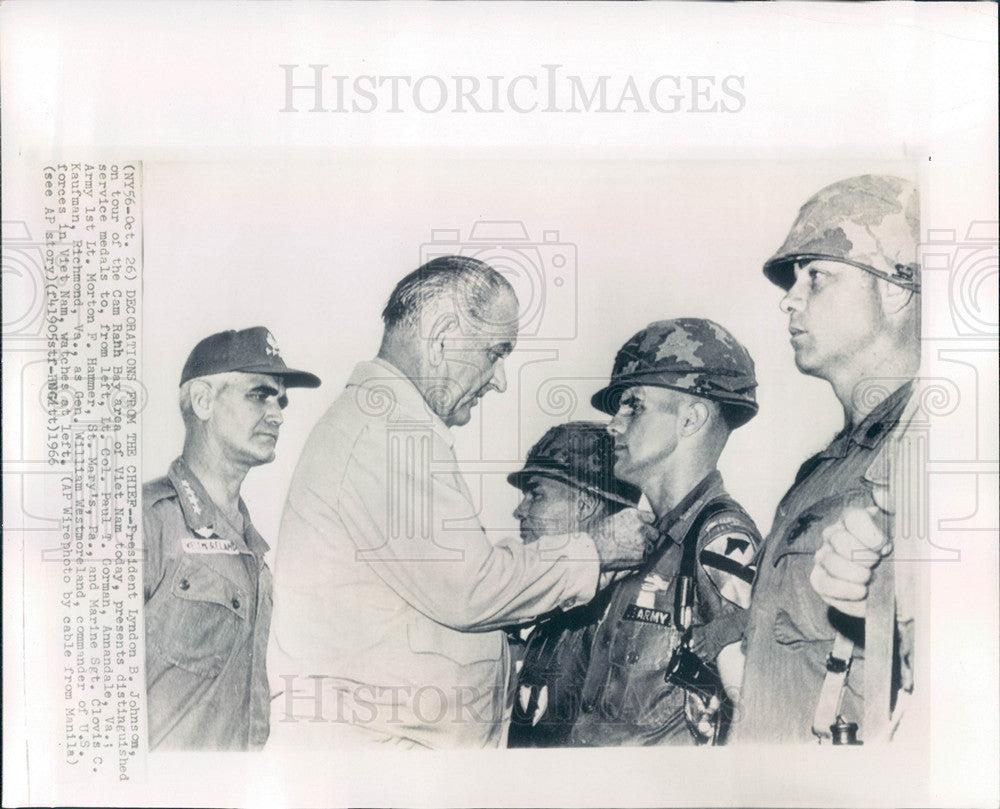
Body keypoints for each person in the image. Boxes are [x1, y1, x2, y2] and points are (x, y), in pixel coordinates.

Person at [268, 255, 652, 749]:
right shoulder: (384, 432)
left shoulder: (383, 425)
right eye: (496, 352)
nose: (499, 379)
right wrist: (594, 550)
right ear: (442, 334)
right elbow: (472, 587)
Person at [736, 174, 921, 744]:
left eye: (816, 277)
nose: (789, 300)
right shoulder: (820, 474)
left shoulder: (936, 455)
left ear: (893, 288)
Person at [568, 318, 762, 746]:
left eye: (633, 405)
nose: (612, 424)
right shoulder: (639, 543)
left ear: (690, 419)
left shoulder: (719, 542)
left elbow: (758, 710)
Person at [143, 326, 321, 751]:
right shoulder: (148, 521)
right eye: (259, 394)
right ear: (203, 401)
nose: (277, 413)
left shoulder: (250, 546)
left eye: (281, 401)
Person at [506, 421, 642, 748]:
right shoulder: (557, 602)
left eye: (535, 494)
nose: (518, 511)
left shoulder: (624, 613)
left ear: (584, 506)